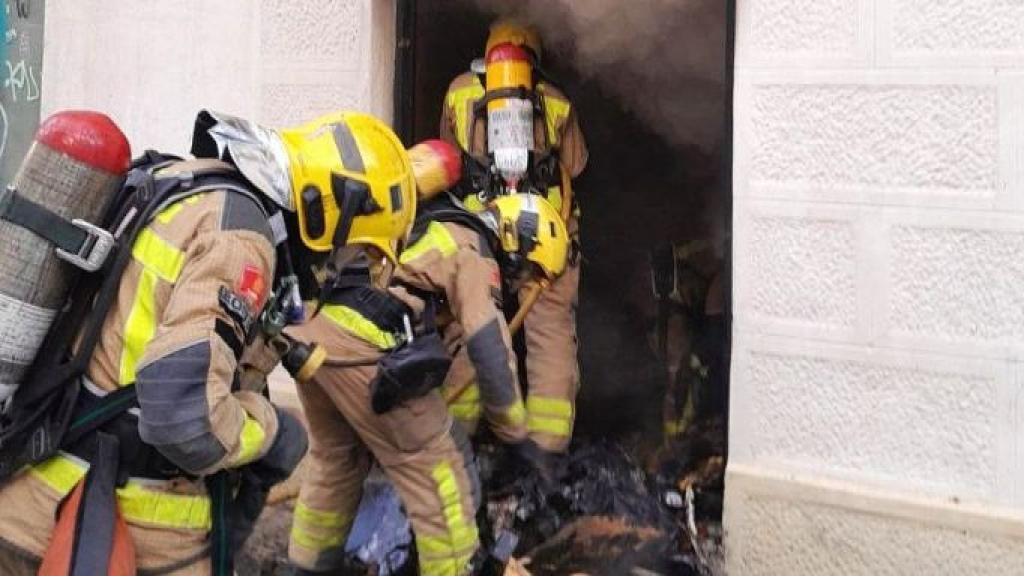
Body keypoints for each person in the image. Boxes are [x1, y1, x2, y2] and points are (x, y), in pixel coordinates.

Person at [0, 109, 399, 575]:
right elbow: (186, 422)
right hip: (128, 533)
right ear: (333, 209)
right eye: (353, 247)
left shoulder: (185, 183)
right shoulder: (240, 235)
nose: (338, 263)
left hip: (27, 500)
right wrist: (267, 431)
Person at [286, 140, 569, 576]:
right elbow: (489, 345)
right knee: (442, 468)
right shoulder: (473, 248)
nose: (516, 282)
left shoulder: (429, 222)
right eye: (524, 270)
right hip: (362, 346)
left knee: (337, 460)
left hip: (312, 335)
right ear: (518, 240)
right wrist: (515, 434)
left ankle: (304, 568)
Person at [440, 17, 587, 453]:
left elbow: (448, 156)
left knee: (472, 328)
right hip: (545, 237)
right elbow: (576, 166)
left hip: (480, 232)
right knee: (550, 334)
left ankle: (458, 443)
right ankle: (547, 450)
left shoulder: (459, 91)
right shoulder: (557, 101)